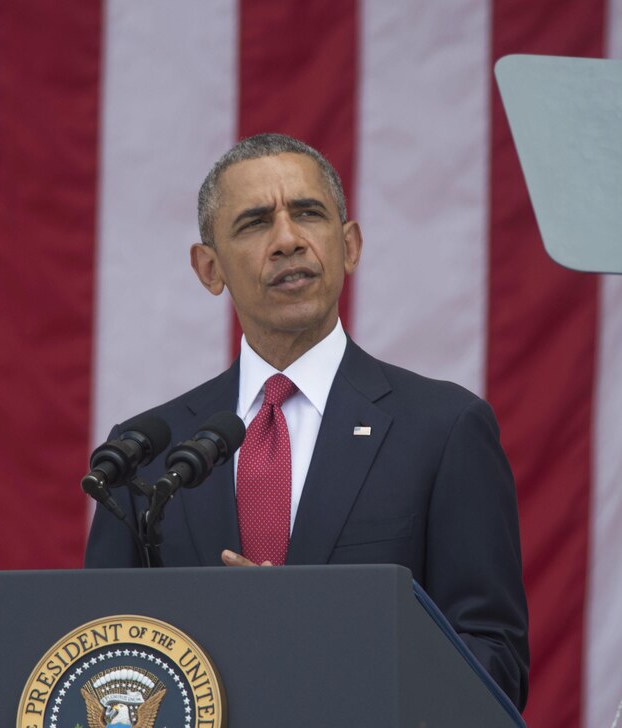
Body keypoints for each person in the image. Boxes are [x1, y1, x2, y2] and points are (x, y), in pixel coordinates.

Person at [85, 133, 529, 708]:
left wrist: (311, 634)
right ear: (209, 268)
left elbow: (495, 665)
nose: (288, 240)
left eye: (308, 214)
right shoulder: (146, 451)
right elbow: (99, 655)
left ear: (349, 246)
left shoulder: (443, 429)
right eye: (254, 223)